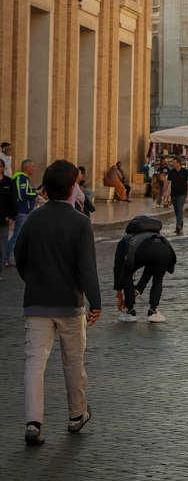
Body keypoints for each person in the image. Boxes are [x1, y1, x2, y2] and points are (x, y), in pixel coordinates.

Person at [14, 158, 101, 446]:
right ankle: (77, 413)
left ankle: (33, 422)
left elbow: (21, 258)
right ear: (72, 188)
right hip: (70, 304)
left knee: (34, 364)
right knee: (73, 361)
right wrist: (95, 301)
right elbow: (86, 266)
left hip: (37, 303)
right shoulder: (80, 222)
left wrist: (35, 281)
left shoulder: (34, 219)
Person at [113, 214, 176, 321]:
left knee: (127, 273)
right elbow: (149, 271)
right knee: (158, 278)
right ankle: (153, 312)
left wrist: (120, 294)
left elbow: (119, 268)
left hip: (143, 252)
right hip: (165, 250)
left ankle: (130, 312)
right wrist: (137, 290)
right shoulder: (156, 237)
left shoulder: (126, 239)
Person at [4, 159, 38, 266]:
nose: (34, 169)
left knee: (22, 235)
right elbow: (22, 195)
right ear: (27, 168)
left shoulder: (23, 178)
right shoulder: (22, 178)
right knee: (16, 236)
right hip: (21, 211)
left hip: (24, 211)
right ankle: (5, 259)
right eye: (32, 167)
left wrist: (34, 192)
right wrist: (35, 194)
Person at [166, 158, 188, 235]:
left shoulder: (185, 172)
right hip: (173, 194)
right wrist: (166, 193)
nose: (172, 164)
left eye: (174, 162)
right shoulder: (171, 172)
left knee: (180, 208)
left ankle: (178, 226)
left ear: (178, 163)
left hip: (182, 194)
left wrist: (187, 195)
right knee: (176, 210)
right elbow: (168, 182)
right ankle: (180, 223)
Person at [1, 157, 19, 261]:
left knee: (1, 247)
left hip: (4, 220)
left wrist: (12, 216)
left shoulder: (8, 182)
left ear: (3, 168)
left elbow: (13, 200)